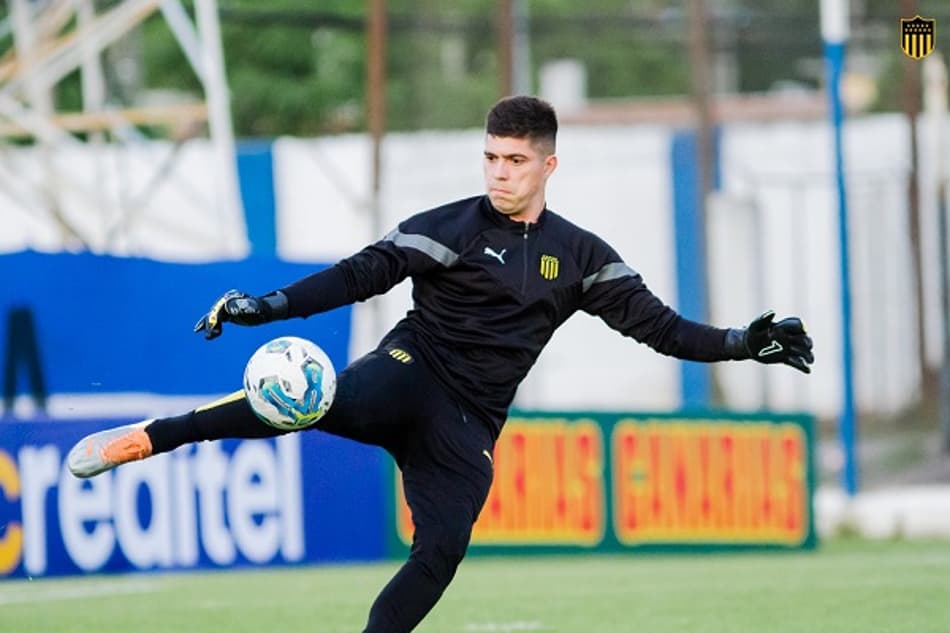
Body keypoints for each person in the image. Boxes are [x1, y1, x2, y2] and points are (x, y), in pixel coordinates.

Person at [67, 95, 814, 632]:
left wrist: (744, 342)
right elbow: (361, 272)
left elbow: (661, 328)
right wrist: (266, 305)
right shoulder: (447, 228)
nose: (500, 172)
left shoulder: (583, 257)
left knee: (442, 553)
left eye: (516, 160)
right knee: (311, 398)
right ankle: (150, 436)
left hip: (470, 424)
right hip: (408, 368)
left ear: (549, 164)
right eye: (491, 157)